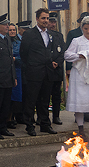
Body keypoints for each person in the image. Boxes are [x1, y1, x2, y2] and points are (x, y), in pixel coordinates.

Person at [20, 8, 60, 136]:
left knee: (44, 100)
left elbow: (50, 51)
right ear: (37, 19)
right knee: (31, 100)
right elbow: (23, 53)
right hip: (34, 72)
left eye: (47, 18)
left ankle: (45, 124)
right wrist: (32, 65)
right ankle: (29, 125)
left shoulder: (50, 34)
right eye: (43, 18)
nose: (46, 21)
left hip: (47, 72)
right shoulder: (29, 34)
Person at [46, 13, 66, 125]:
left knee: (56, 95)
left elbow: (63, 52)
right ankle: (43, 117)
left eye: (54, 22)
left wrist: (57, 63)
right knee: (45, 95)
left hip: (56, 70)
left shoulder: (59, 35)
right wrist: (50, 62)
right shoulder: (43, 35)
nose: (52, 24)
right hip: (46, 70)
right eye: (50, 22)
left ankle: (56, 116)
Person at [7, 22, 23, 129]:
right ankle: (8, 118)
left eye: (14, 30)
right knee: (8, 96)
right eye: (10, 30)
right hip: (7, 71)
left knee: (16, 96)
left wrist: (15, 59)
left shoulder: (19, 42)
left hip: (17, 70)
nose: (12, 32)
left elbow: (23, 56)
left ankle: (14, 117)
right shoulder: (5, 41)